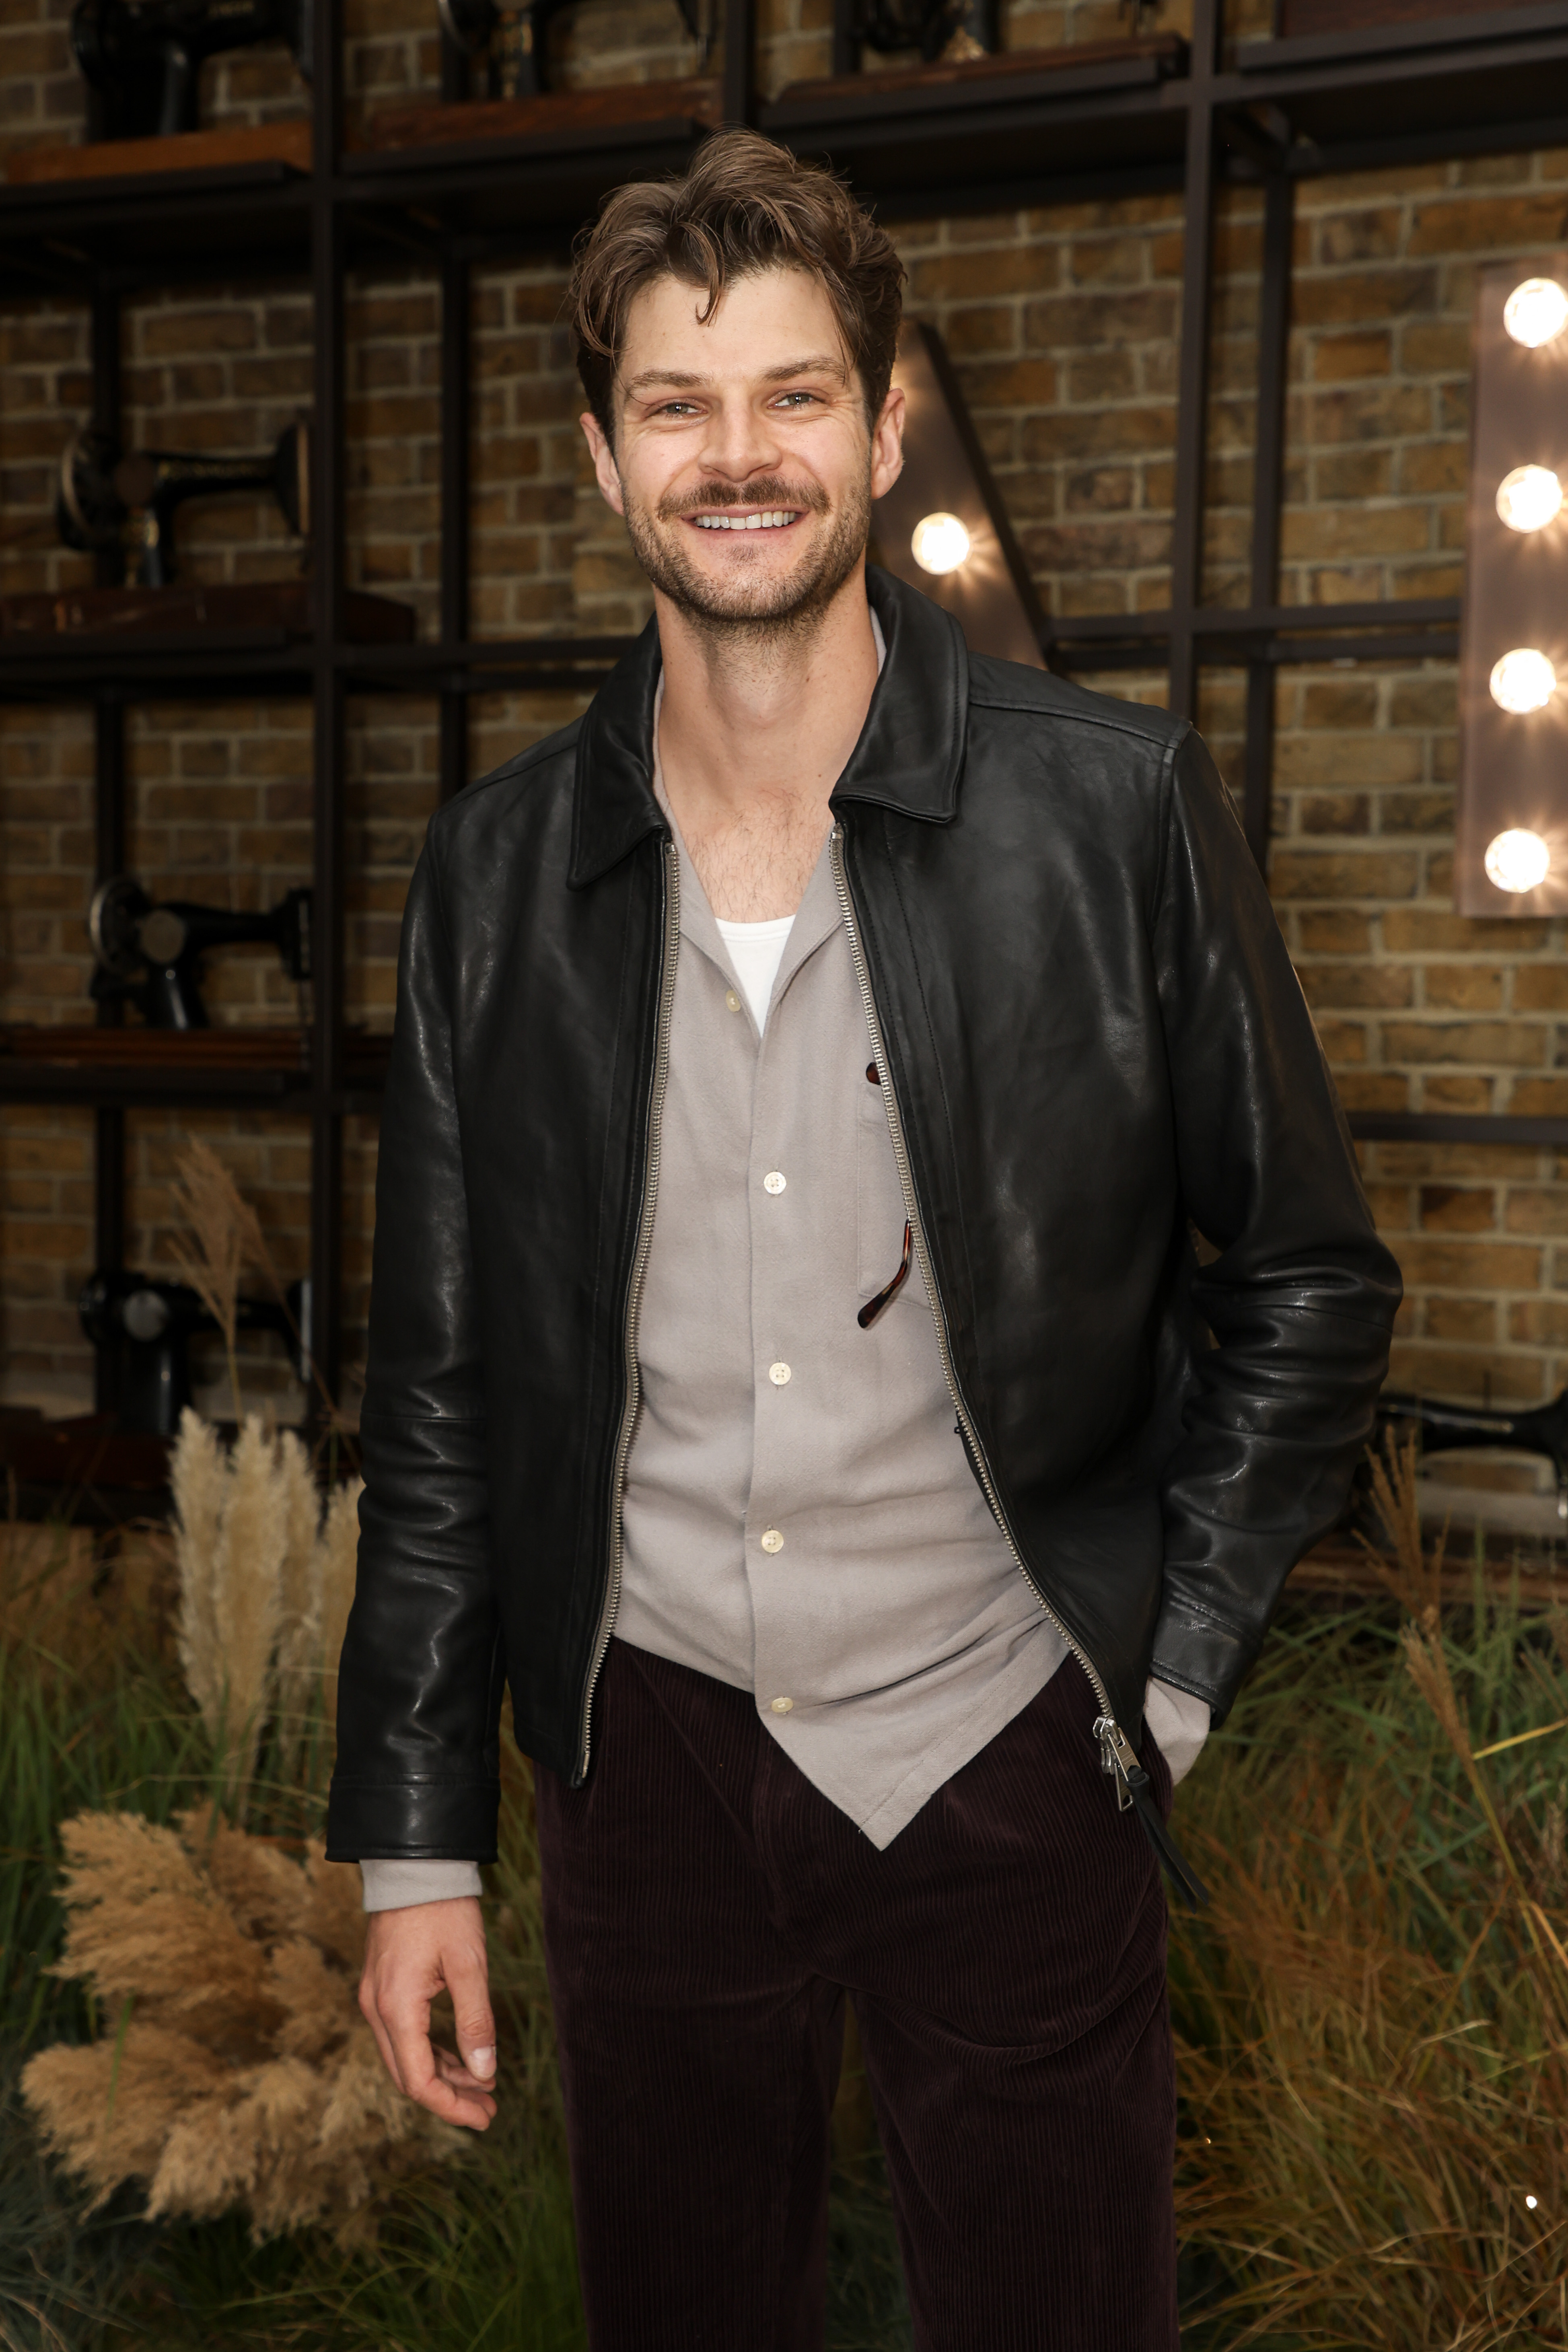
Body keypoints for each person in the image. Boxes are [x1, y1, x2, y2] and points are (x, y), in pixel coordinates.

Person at [327, 128, 1400, 2350]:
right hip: (650, 1769)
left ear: (885, 422)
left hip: (1007, 1736)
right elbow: (439, 1387)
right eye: (680, 404)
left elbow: (1308, 1275)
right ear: (604, 451)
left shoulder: (1111, 807)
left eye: (797, 395)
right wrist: (419, 1844)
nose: (742, 458)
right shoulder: (495, 875)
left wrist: (1166, 1666)